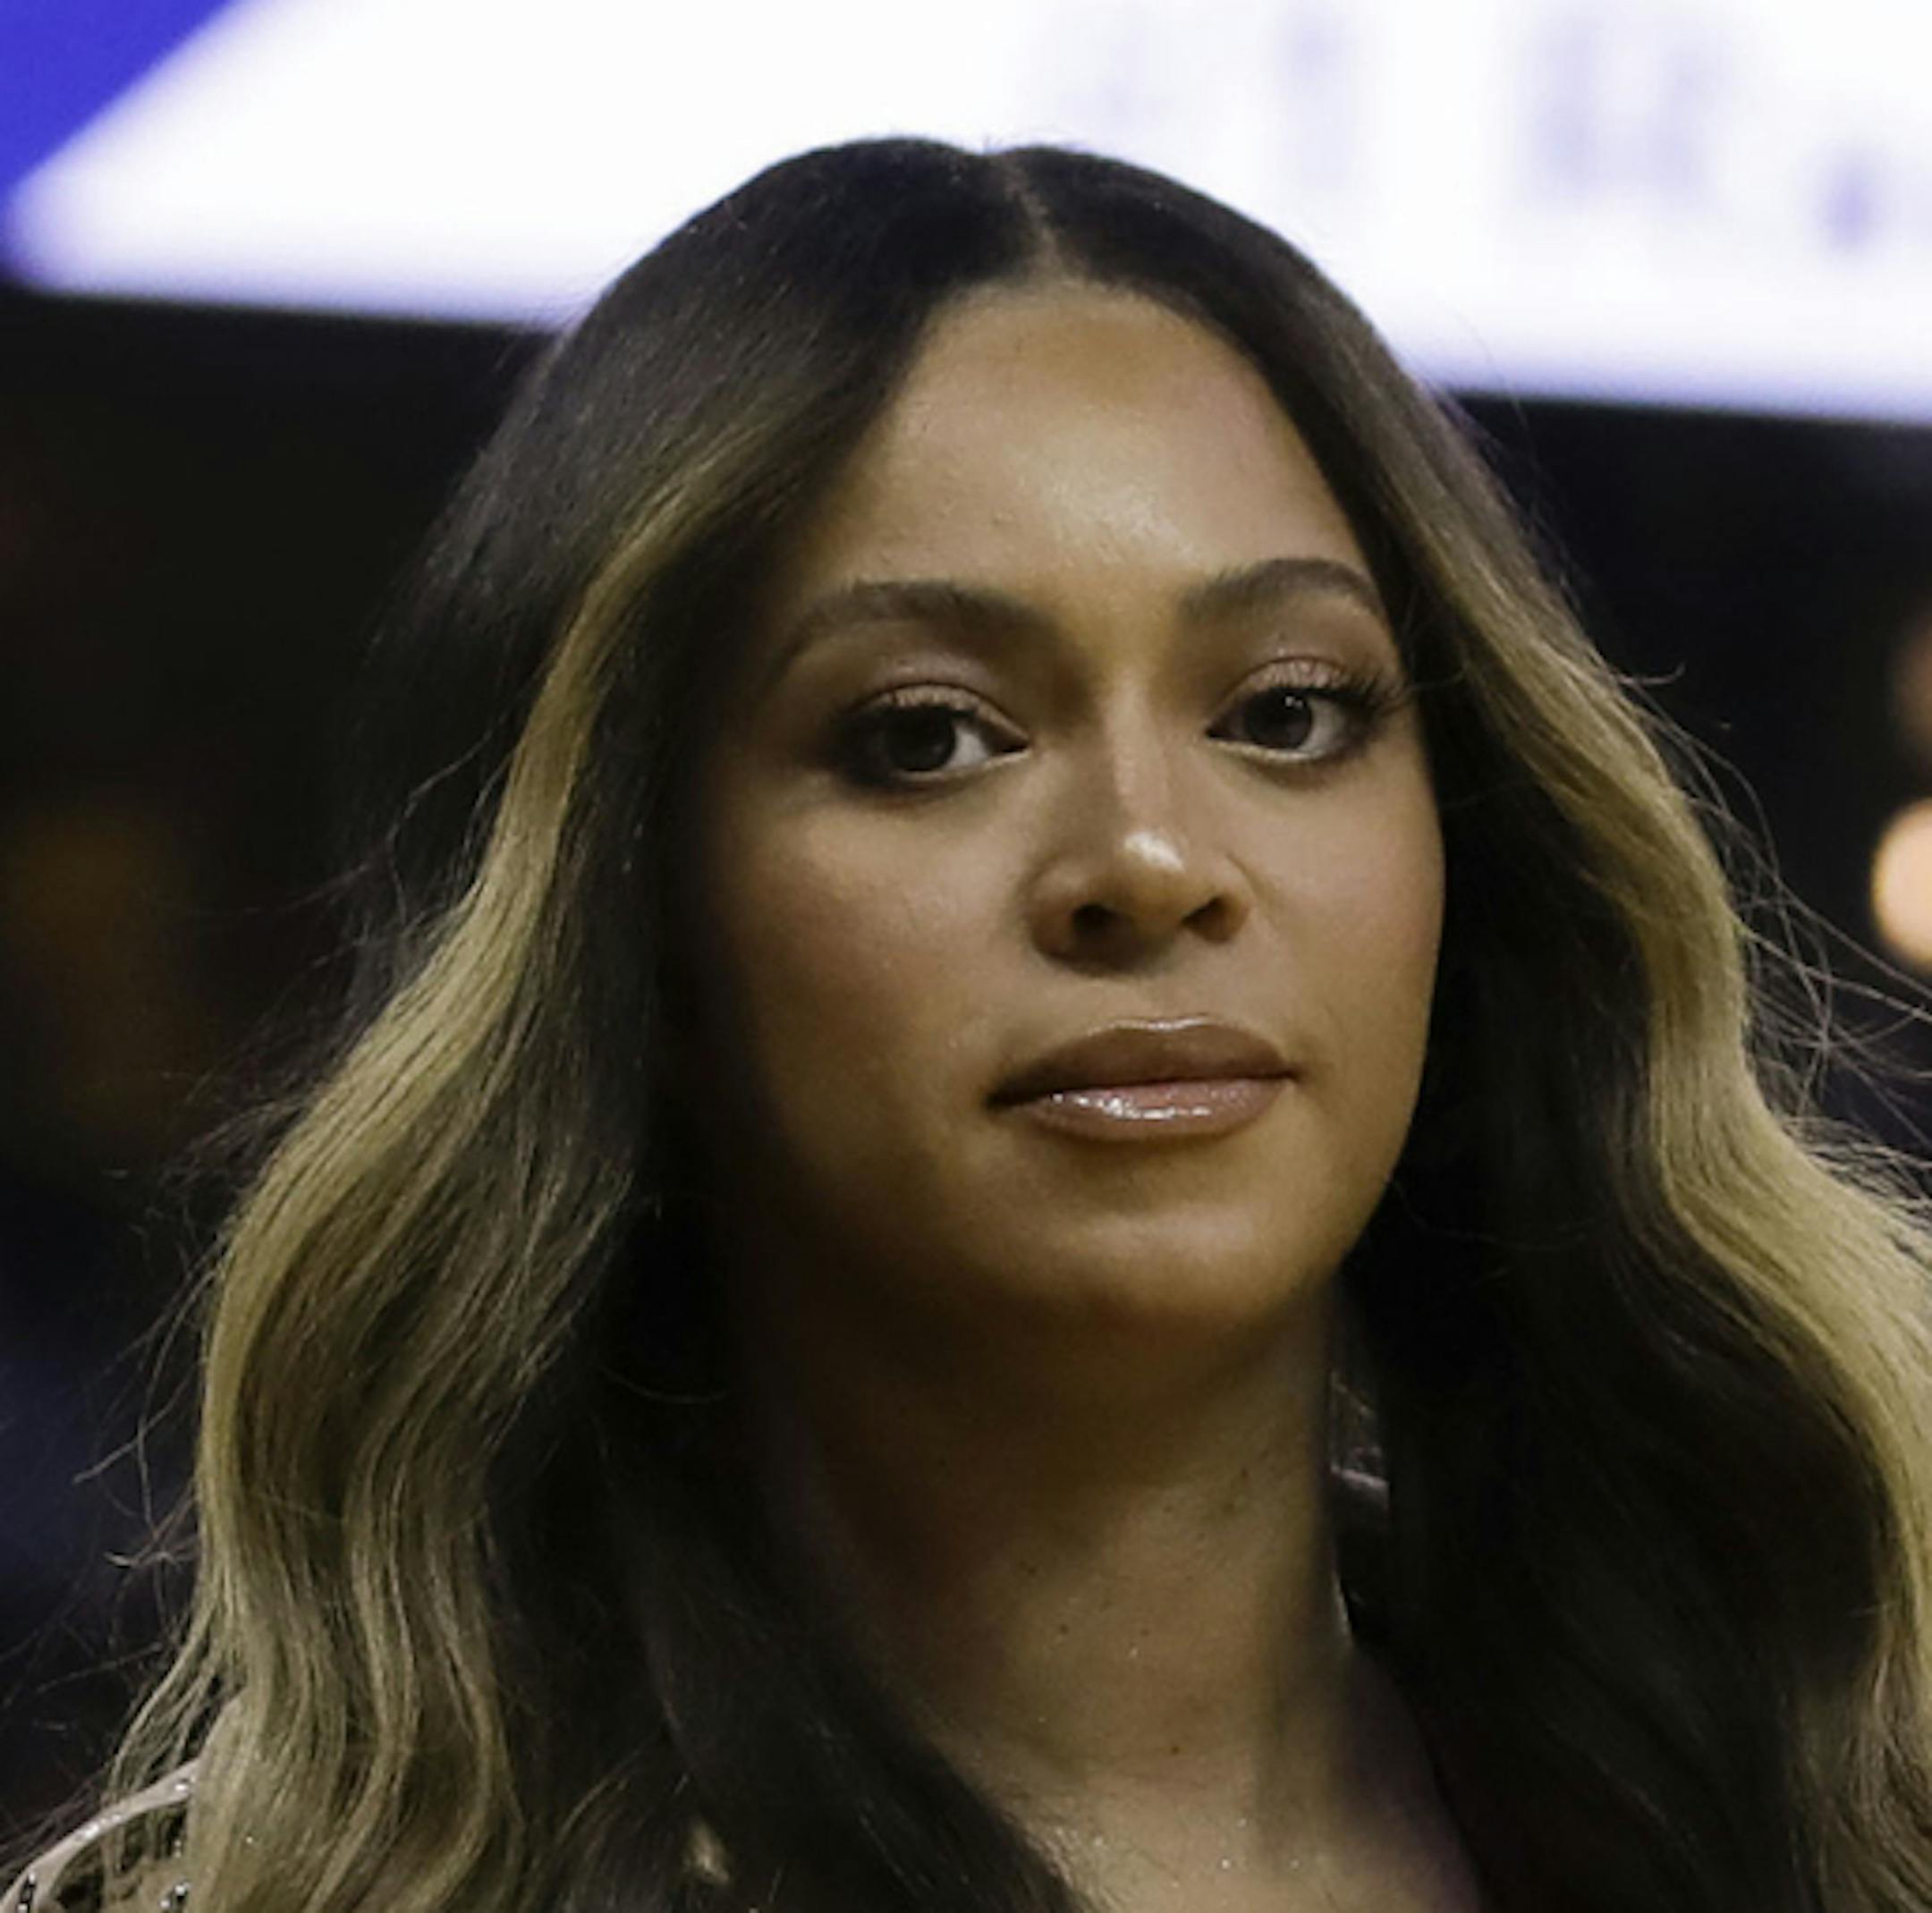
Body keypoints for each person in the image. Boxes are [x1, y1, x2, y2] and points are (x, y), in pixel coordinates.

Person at [10, 135, 1932, 1913]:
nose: (1149, 859)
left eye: (1285, 712)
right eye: (926, 735)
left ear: (1471, 857)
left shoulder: (1829, 1806)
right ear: (632, 925)